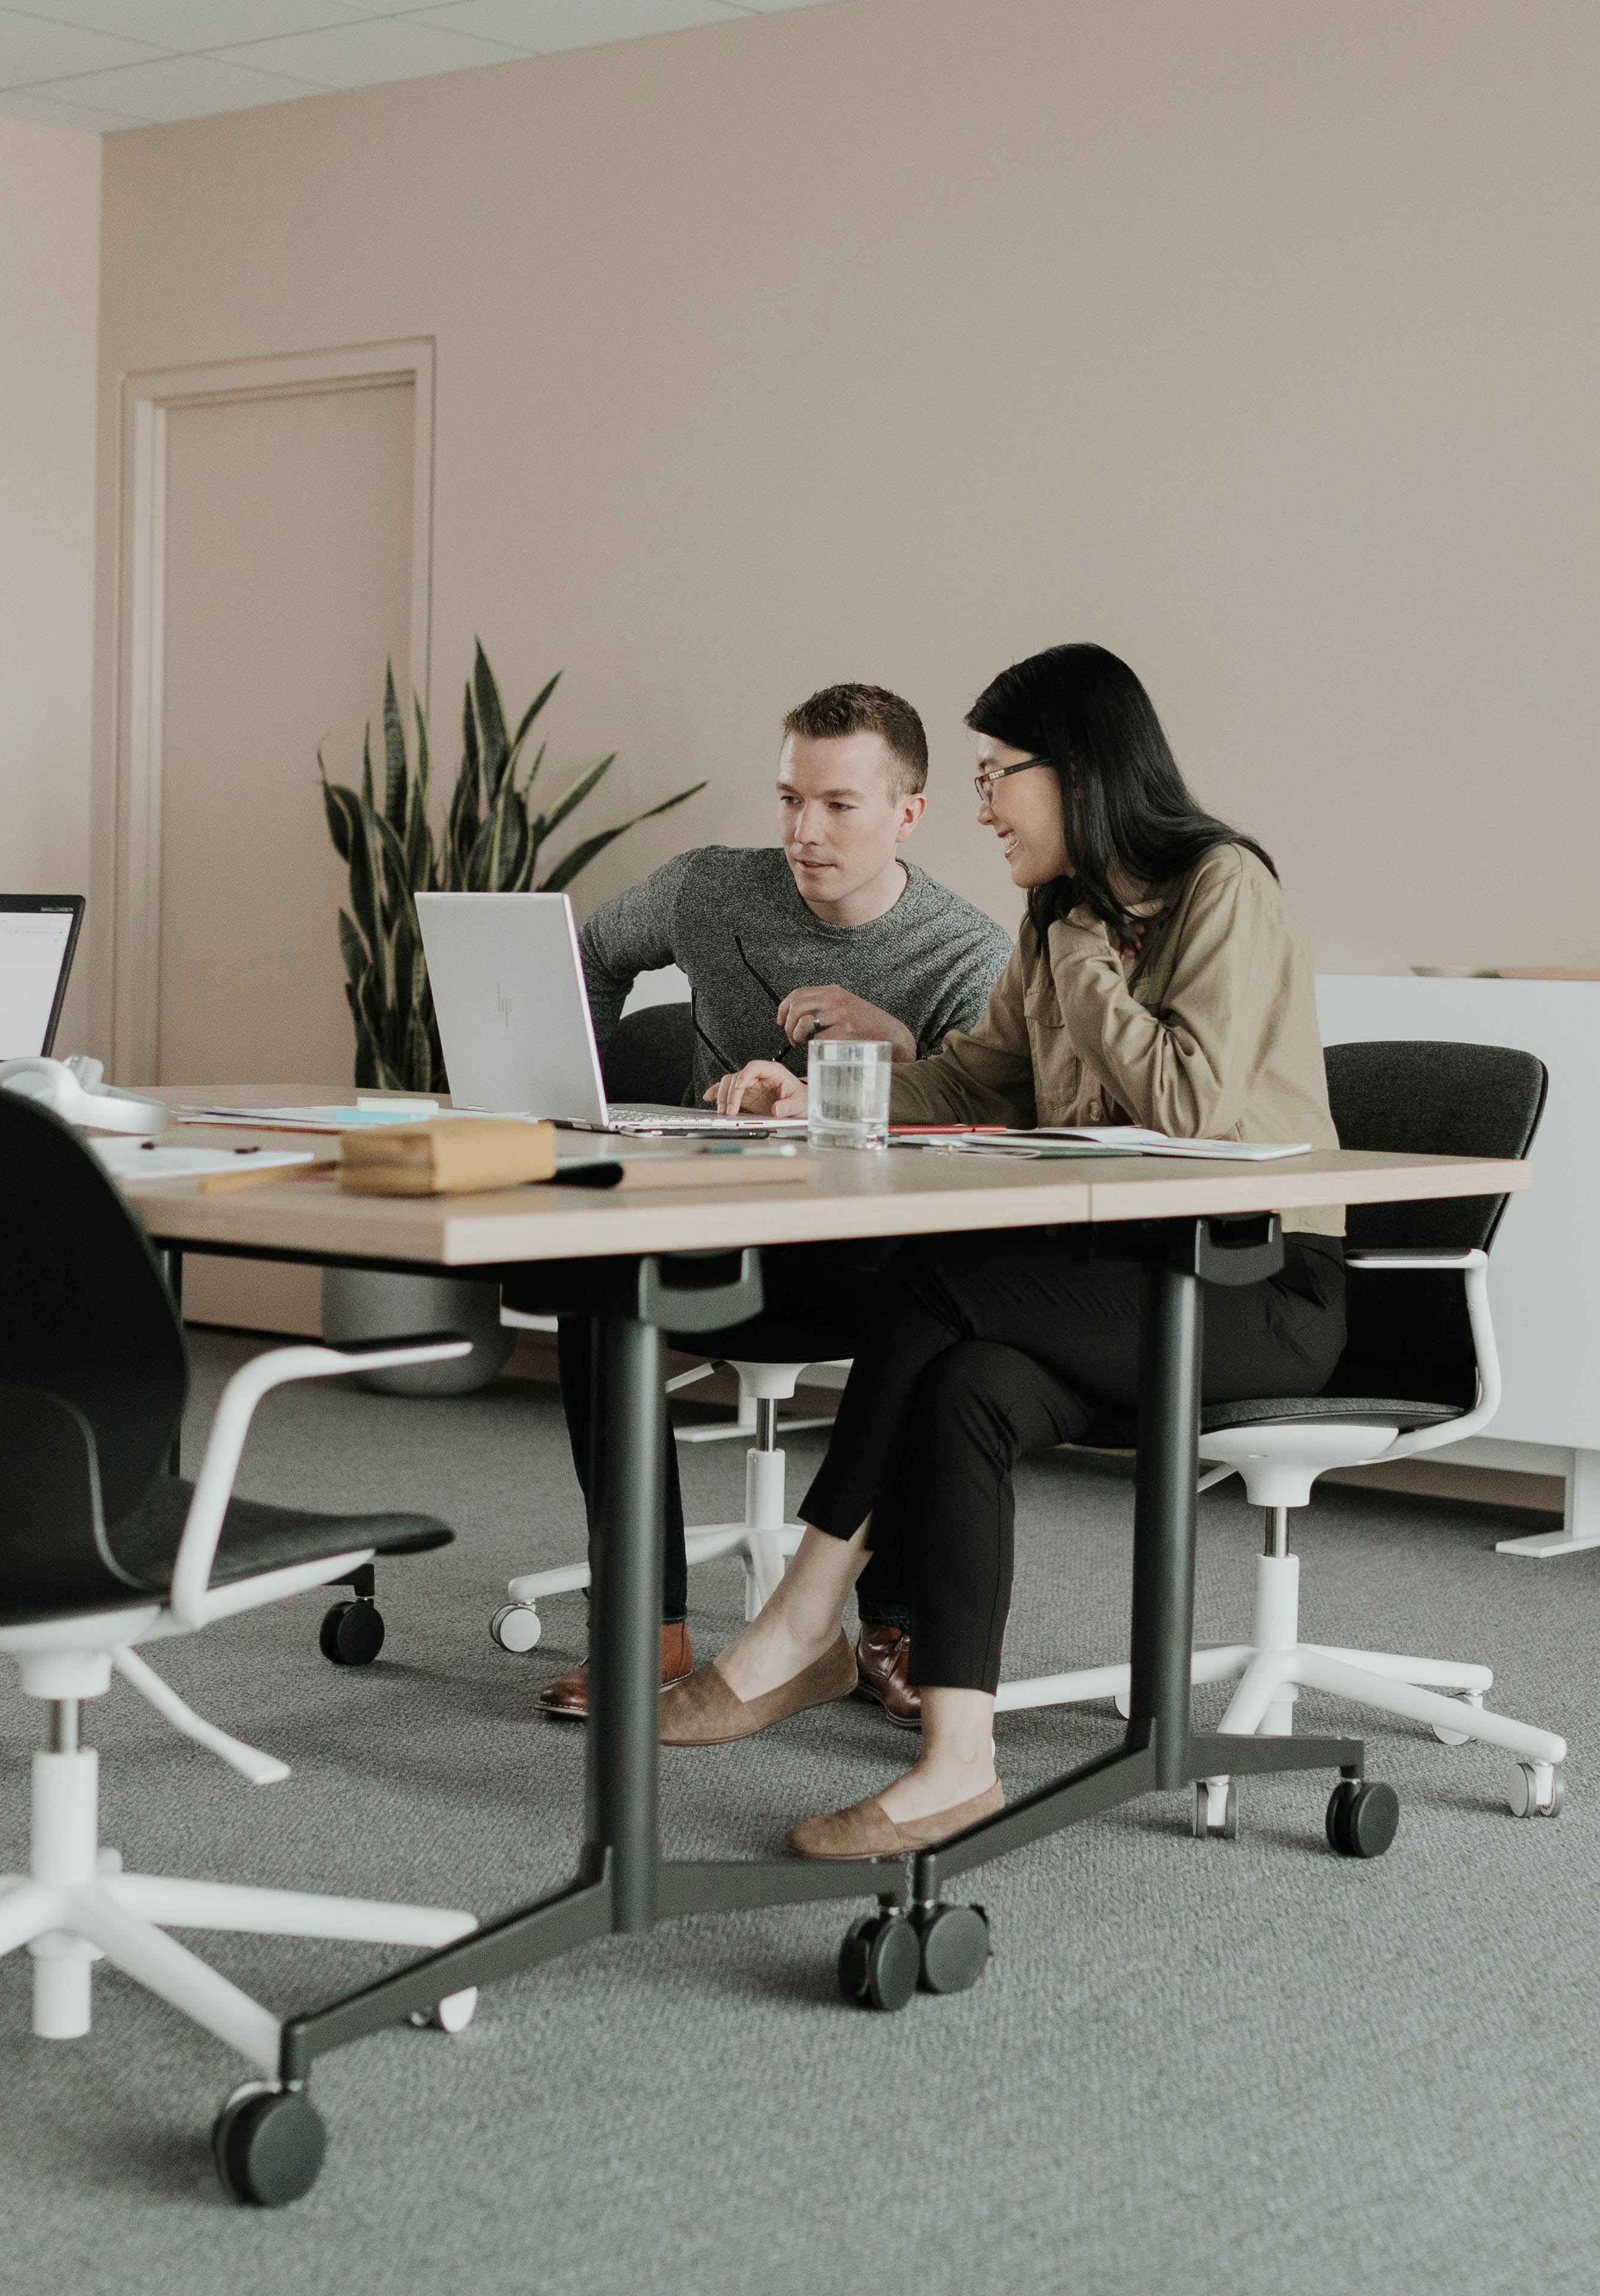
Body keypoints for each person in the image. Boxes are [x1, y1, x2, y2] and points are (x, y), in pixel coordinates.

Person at [672, 644, 1348, 1859]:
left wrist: (1084, 953)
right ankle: (956, 1763)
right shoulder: (1056, 918)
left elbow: (1188, 1106)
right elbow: (971, 1077)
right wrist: (821, 1092)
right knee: (967, 1388)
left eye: (996, 778)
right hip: (1120, 1282)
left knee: (935, 1280)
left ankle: (802, 1617)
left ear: (1077, 772)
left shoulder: (1219, 887)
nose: (980, 808)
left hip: (1257, 1285)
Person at [539, 682, 1012, 1722]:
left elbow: (1006, 1123)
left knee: (939, 1305)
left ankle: (891, 1621)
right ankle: (646, 1618)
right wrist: (584, 1089)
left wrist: (895, 1049)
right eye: (791, 799)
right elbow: (589, 955)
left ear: (908, 813)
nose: (804, 832)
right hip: (721, 1242)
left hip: (874, 1267)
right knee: (592, 1277)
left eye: (839, 805)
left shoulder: (967, 953)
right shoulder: (708, 890)